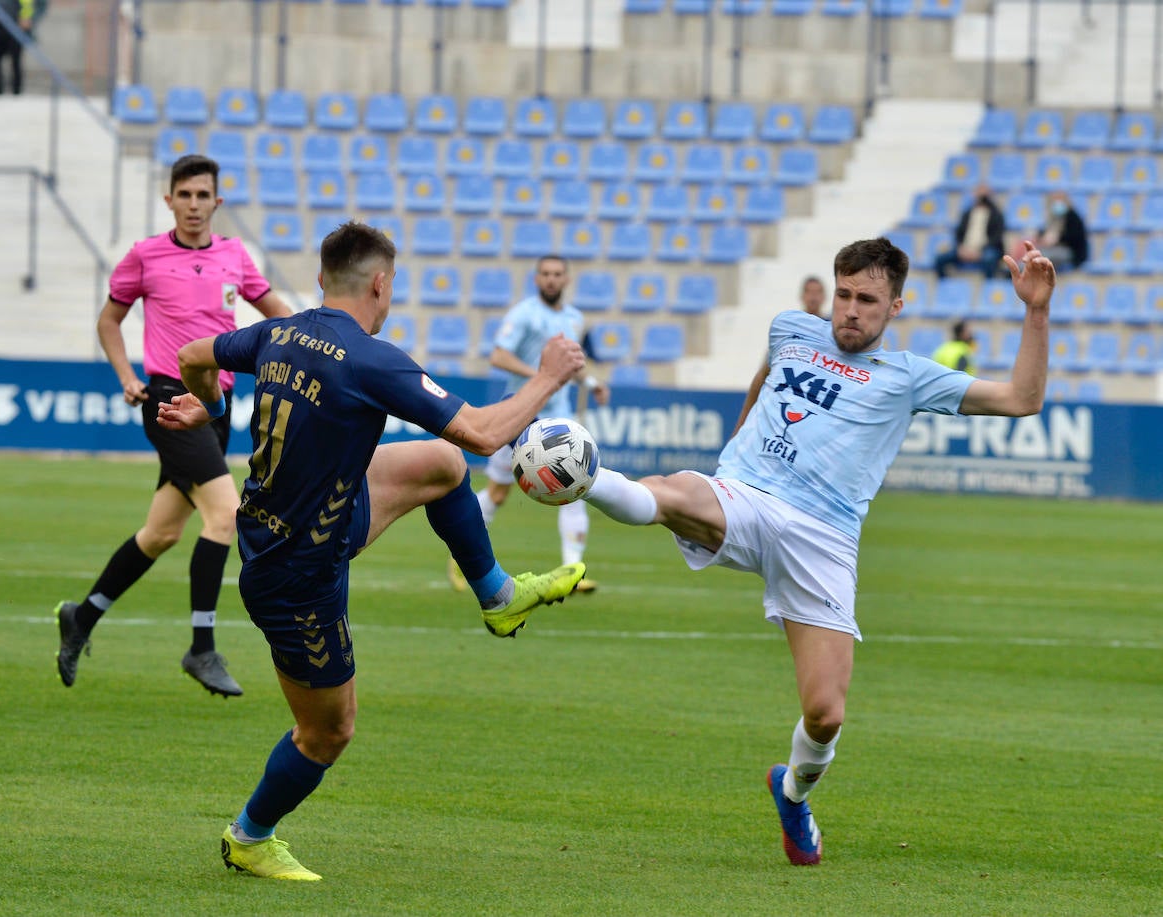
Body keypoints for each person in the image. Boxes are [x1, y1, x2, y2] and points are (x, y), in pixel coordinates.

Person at [577, 237, 1054, 866]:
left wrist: (1036, 311)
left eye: (867, 300)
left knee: (825, 713)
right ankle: (578, 475)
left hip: (823, 538)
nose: (851, 310)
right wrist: (733, 457)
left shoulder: (911, 377)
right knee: (671, 493)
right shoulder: (791, 330)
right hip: (745, 495)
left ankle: (794, 795)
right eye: (845, 295)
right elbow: (764, 379)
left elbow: (1022, 399)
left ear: (896, 306)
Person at [155, 220, 588, 880]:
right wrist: (548, 376)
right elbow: (483, 432)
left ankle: (498, 595)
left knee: (440, 464)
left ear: (325, 278)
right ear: (379, 284)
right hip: (296, 575)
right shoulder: (368, 359)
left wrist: (208, 408)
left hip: (316, 514)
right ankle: (250, 834)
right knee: (329, 731)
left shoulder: (279, 332)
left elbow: (192, 355)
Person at [54, 154, 295, 697]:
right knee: (226, 516)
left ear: (217, 202)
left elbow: (278, 314)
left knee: (161, 533)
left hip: (217, 406)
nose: (192, 205)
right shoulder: (145, 255)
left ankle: (82, 617)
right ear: (169, 200)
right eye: (183, 195)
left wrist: (316, 342)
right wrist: (125, 376)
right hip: (167, 399)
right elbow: (108, 321)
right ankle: (202, 647)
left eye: (201, 196)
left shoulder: (236, 256)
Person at [448, 255, 609, 594]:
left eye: (558, 274)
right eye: (546, 274)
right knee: (498, 492)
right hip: (519, 413)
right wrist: (541, 377)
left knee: (576, 486)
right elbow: (498, 356)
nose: (552, 279)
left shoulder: (575, 318)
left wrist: (592, 383)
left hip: (559, 419)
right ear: (537, 279)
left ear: (566, 279)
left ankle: (572, 570)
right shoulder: (524, 314)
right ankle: (459, 550)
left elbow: (571, 365)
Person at [731, 275, 829, 436]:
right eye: (809, 292)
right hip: (786, 402)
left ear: (824, 297)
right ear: (802, 296)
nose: (813, 297)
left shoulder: (834, 332)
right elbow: (765, 372)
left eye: (817, 292)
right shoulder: (788, 328)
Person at [932, 184, 1006, 279]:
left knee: (989, 259)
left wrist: (979, 251)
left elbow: (997, 237)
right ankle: (945, 287)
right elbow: (959, 234)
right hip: (965, 249)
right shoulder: (967, 213)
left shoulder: (997, 214)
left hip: (986, 249)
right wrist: (961, 248)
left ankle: (987, 288)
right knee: (940, 259)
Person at [0, 0, 36, 95]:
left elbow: (27, 6)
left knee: (16, 62)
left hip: (16, 28)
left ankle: (17, 90)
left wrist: (26, 18)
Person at [1030, 191, 1089, 272]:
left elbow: (1074, 238)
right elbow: (1045, 231)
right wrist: (1040, 236)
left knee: (1043, 255)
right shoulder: (1055, 216)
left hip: (1072, 253)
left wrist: (1057, 239)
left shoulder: (1073, 217)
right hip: (1058, 248)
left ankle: (1025, 271)